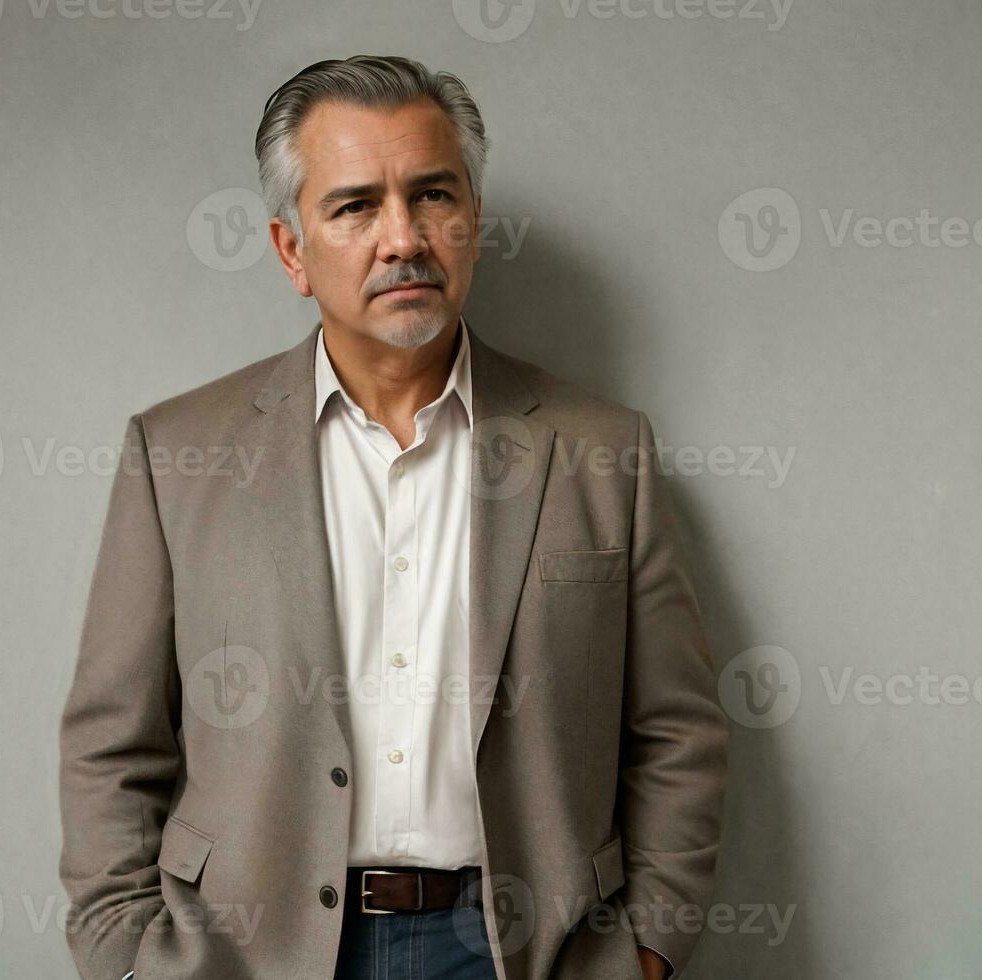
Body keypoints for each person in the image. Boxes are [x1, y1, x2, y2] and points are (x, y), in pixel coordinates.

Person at [58, 54, 729, 980]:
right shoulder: (176, 454)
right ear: (293, 251)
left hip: (518, 953)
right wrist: (127, 956)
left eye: (433, 196)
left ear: (475, 222)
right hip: (246, 956)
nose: (403, 237)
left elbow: (677, 731)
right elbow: (111, 742)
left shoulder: (603, 452)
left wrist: (646, 950)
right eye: (354, 206)